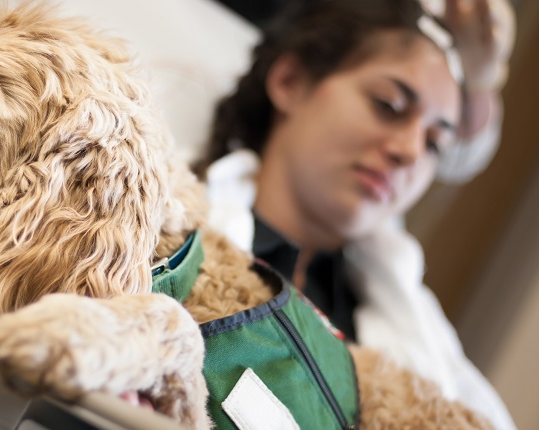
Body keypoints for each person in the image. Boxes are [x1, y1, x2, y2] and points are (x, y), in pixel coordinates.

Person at [196, 0, 516, 429]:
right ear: (291, 81)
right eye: (389, 105)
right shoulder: (168, 237)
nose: (409, 151)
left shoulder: (414, 341)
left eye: (434, 143)